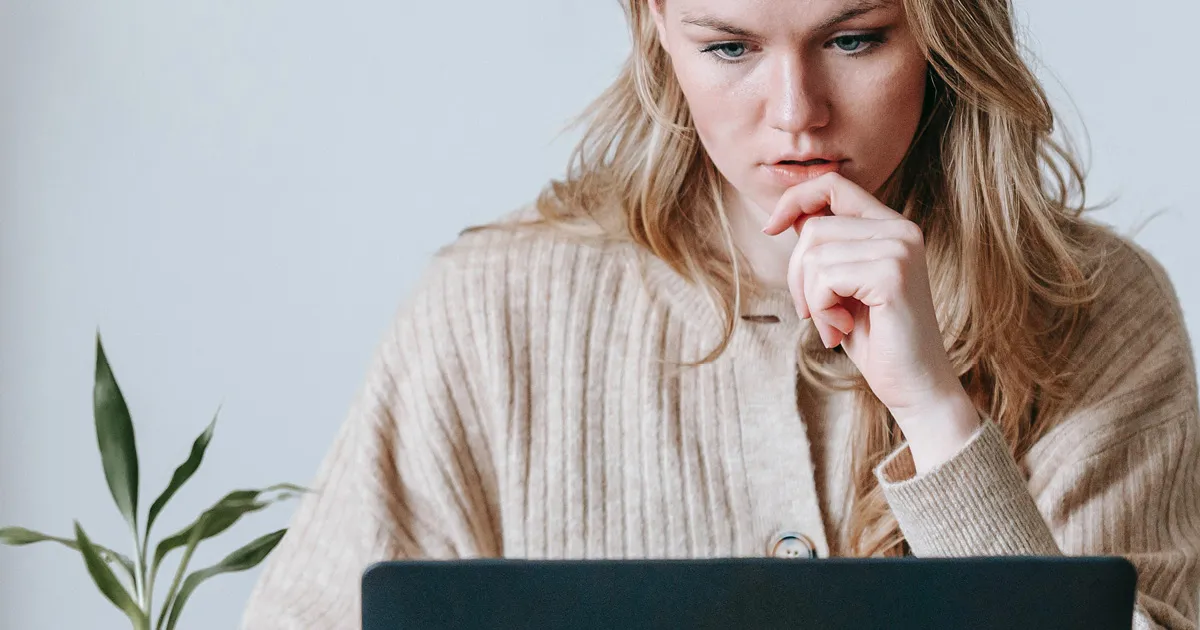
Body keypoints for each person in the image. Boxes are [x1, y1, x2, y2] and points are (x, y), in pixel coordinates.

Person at [241, 0, 1200, 628]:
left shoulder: (1098, 310)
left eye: (854, 38)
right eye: (730, 47)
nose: (796, 114)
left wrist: (938, 416)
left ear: (946, 31)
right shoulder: (492, 313)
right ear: (658, 26)